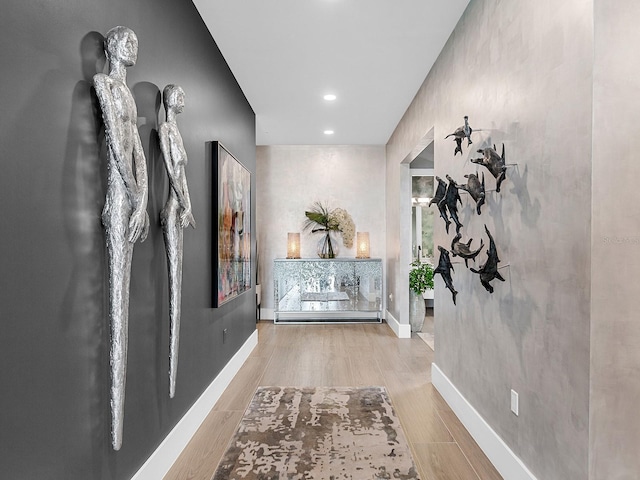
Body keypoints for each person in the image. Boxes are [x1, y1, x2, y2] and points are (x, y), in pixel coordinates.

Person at [93, 26, 149, 451]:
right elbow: (114, 140)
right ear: (111, 46)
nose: (133, 47)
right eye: (127, 41)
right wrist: (131, 197)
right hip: (116, 197)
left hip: (133, 199)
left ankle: (119, 425)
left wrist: (145, 199)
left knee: (125, 297)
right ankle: (114, 426)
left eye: (136, 42)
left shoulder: (129, 94)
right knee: (116, 298)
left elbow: (138, 152)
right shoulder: (103, 84)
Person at [159, 84, 195, 398]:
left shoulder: (177, 131)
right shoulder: (165, 129)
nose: (183, 100)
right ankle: (169, 380)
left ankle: (172, 380)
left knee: (178, 281)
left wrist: (190, 206)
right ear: (169, 99)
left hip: (181, 208)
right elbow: (171, 172)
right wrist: (183, 204)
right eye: (179, 96)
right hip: (172, 209)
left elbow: (182, 176)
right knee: (173, 280)